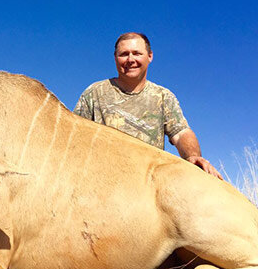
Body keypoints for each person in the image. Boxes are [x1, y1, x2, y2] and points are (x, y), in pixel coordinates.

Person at [74, 32, 222, 179]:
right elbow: (77, 135)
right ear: (115, 58)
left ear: (150, 56)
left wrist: (193, 157)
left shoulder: (163, 96)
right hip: (102, 179)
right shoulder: (94, 92)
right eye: (124, 54)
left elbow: (181, 133)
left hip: (148, 183)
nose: (130, 59)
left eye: (137, 53)